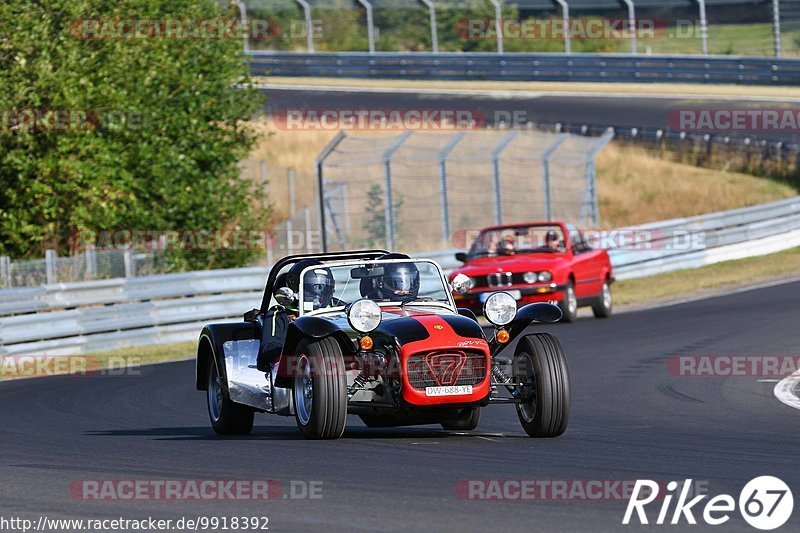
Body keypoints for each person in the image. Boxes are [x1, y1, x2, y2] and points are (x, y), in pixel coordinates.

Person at [256, 259, 335, 371]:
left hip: (339, 364)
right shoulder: (279, 313)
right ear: (295, 289)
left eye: (323, 289)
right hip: (301, 370)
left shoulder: (338, 308)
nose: (318, 296)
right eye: (310, 290)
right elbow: (269, 349)